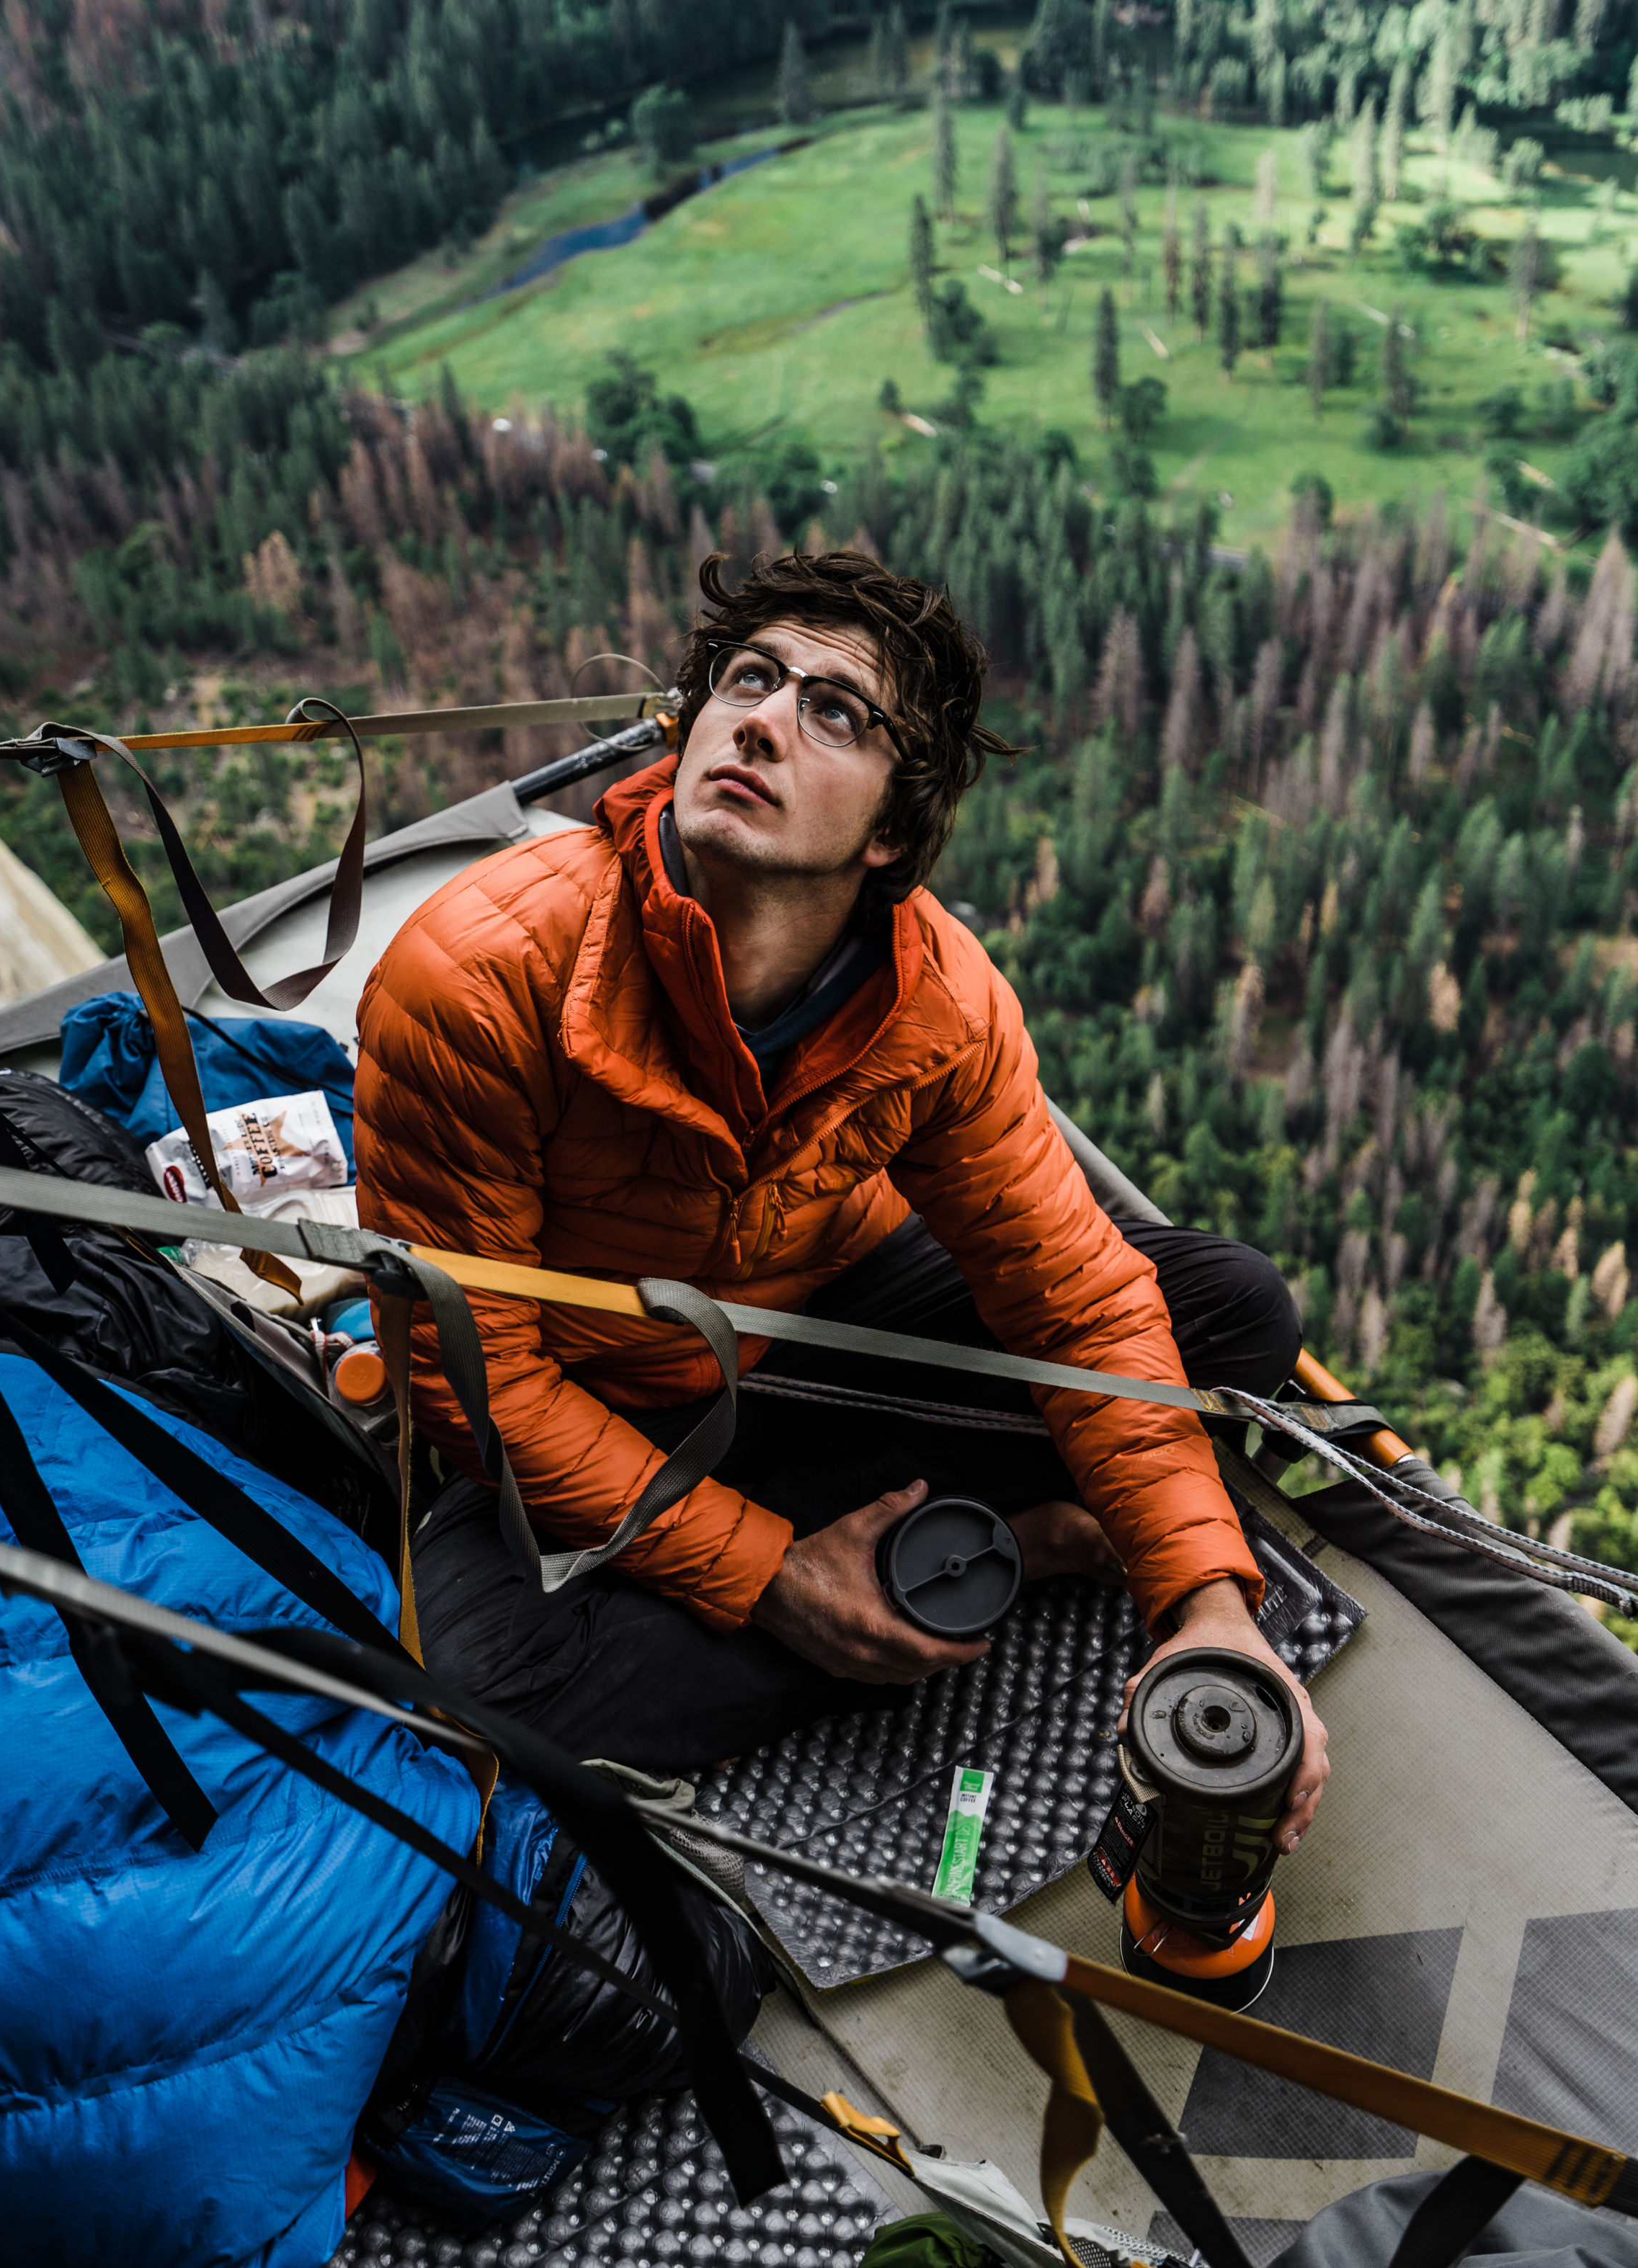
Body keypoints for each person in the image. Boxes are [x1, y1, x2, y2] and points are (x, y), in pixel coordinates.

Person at [354, 548, 1329, 1847]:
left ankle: (886, 1575)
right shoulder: (477, 979)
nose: (761, 717)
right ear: (689, 724)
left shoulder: (939, 1003)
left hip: (824, 1329)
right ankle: (997, 1555)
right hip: (591, 1412)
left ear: (886, 832)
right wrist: (771, 1577)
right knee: (474, 1692)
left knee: (1227, 1311)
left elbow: (1077, 1304)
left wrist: (1208, 1604)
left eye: (834, 712)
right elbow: (479, 1391)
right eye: (748, 680)